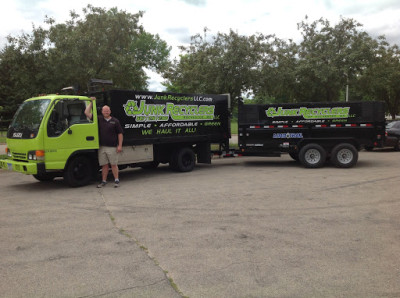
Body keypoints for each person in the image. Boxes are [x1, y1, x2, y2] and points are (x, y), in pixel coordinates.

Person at [85, 97, 123, 188]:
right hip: (101, 147)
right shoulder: (98, 119)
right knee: (104, 165)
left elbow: (120, 134)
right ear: (101, 112)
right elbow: (86, 113)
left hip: (112, 147)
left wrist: (120, 146)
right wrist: (91, 102)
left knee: (113, 164)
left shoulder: (115, 121)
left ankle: (116, 180)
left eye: (108, 110)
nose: (106, 112)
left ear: (110, 111)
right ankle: (103, 181)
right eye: (104, 110)